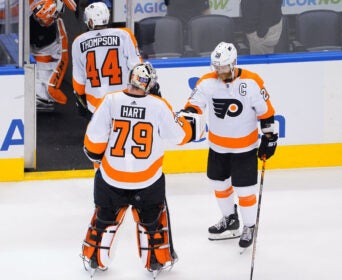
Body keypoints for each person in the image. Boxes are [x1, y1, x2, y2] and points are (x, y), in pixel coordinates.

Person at [80, 62, 205, 278]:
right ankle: (156, 260)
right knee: (152, 221)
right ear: (149, 83)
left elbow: (92, 141)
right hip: (147, 181)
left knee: (104, 218)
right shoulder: (158, 105)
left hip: (111, 179)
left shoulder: (110, 101)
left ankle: (94, 257)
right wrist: (188, 122)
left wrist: (98, 160)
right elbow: (178, 136)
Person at [181, 42, 278, 251]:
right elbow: (194, 105)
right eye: (216, 67)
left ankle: (249, 226)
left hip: (245, 148)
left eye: (223, 67)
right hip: (217, 147)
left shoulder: (252, 81)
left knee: (244, 190)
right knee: (218, 184)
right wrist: (188, 116)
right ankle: (230, 219)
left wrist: (270, 138)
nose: (219, 71)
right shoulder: (207, 82)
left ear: (234, 63)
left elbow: (266, 112)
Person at [71, 2, 143, 120]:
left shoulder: (78, 42)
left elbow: (79, 81)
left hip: (95, 104)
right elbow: (138, 68)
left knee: (99, 137)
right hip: (124, 101)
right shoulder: (124, 34)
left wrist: (80, 100)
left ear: (90, 21)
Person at [30, 0, 77, 111]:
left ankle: (42, 95)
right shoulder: (32, 18)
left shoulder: (56, 27)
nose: (40, 21)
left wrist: (53, 86)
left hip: (48, 47)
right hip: (35, 28)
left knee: (43, 62)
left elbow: (74, 7)